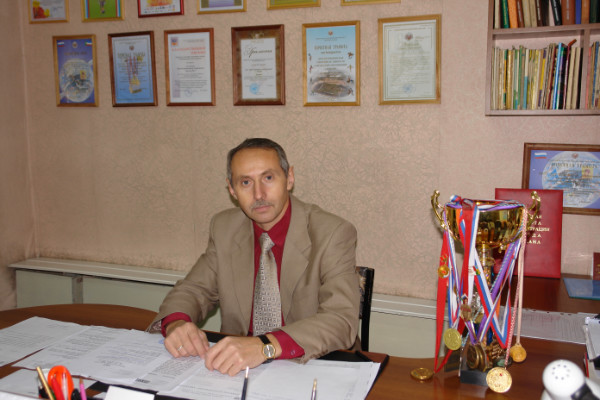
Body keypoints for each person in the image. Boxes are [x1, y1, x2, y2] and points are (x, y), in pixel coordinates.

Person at [149, 138, 359, 376]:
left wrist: (265, 346)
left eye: (268, 178)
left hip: (310, 365)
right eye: (246, 182)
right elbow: (193, 289)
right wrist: (177, 323)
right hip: (237, 370)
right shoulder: (224, 227)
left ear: (289, 178)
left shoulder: (332, 232)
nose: (259, 194)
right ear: (232, 189)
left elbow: (341, 320)